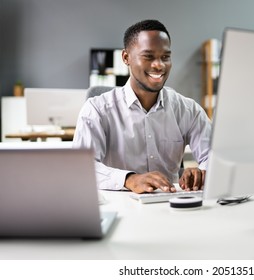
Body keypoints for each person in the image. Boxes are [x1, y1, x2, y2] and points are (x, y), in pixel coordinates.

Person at [73, 19, 212, 194]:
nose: (159, 65)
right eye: (148, 56)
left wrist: (202, 172)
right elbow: (82, 168)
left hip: (169, 205)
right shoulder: (97, 109)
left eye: (165, 57)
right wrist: (129, 179)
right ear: (126, 58)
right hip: (120, 207)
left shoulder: (188, 109)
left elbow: (215, 157)